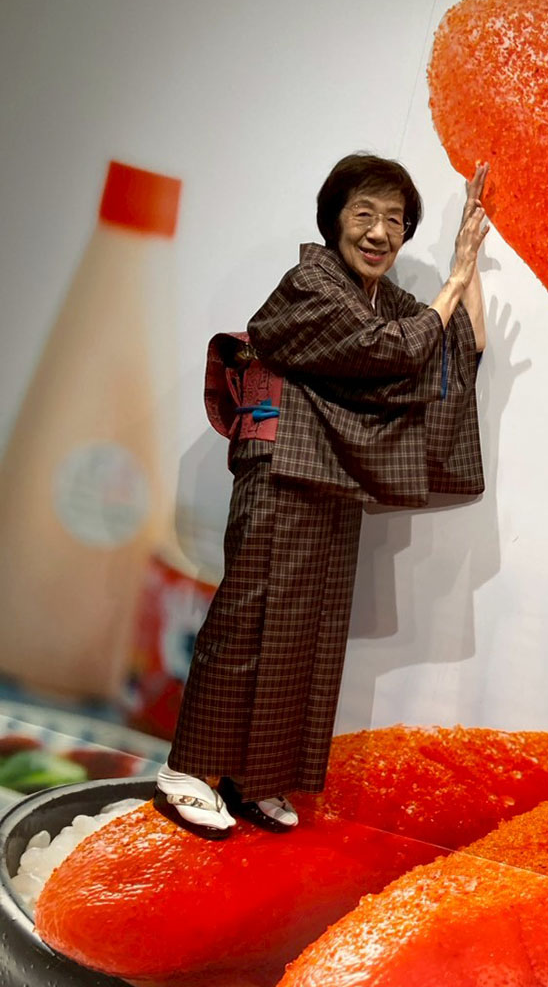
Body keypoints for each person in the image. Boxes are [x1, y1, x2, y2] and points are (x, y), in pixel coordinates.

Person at [154, 154, 490, 840]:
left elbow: (459, 342)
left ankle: (253, 777)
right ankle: (186, 771)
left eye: (395, 220)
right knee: (249, 620)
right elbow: (393, 349)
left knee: (307, 635)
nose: (379, 232)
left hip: (335, 474)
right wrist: (453, 279)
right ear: (335, 218)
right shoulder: (312, 282)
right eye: (364, 213)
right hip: (281, 468)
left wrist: (469, 251)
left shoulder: (384, 302)